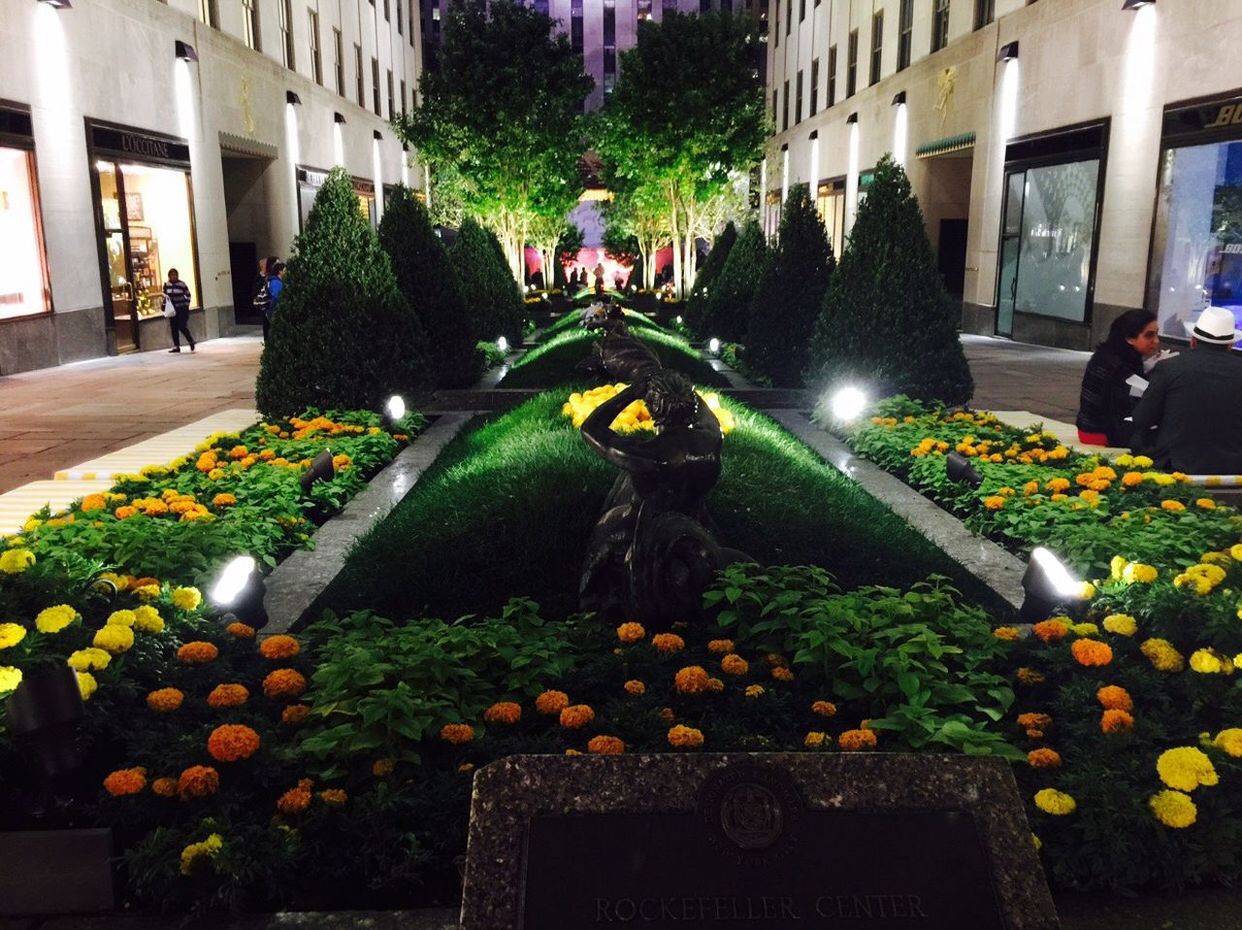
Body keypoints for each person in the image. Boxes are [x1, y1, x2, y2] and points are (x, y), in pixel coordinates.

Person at [1130, 306, 1242, 474]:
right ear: (1230, 345)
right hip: (1232, 466)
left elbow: (1141, 419)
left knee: (1139, 437)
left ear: (1193, 340)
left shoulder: (1169, 368)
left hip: (1175, 465)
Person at [1075, 309, 1160, 446]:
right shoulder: (1115, 365)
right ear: (1129, 338)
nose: (1156, 341)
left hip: (1094, 427)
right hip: (1099, 432)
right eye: (1149, 335)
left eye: (1157, 334)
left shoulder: (1112, 355)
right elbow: (1137, 400)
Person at [163, 268, 195, 353]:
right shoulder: (167, 284)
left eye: (175, 275)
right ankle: (176, 346)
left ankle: (190, 340)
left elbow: (188, 294)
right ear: (169, 276)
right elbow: (165, 296)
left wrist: (186, 304)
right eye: (172, 275)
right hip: (172, 310)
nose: (174, 277)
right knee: (174, 328)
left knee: (182, 326)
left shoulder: (182, 284)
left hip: (181, 308)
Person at [253, 255, 277, 342]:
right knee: (267, 327)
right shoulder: (260, 279)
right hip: (266, 307)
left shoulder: (270, 278)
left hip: (269, 306)